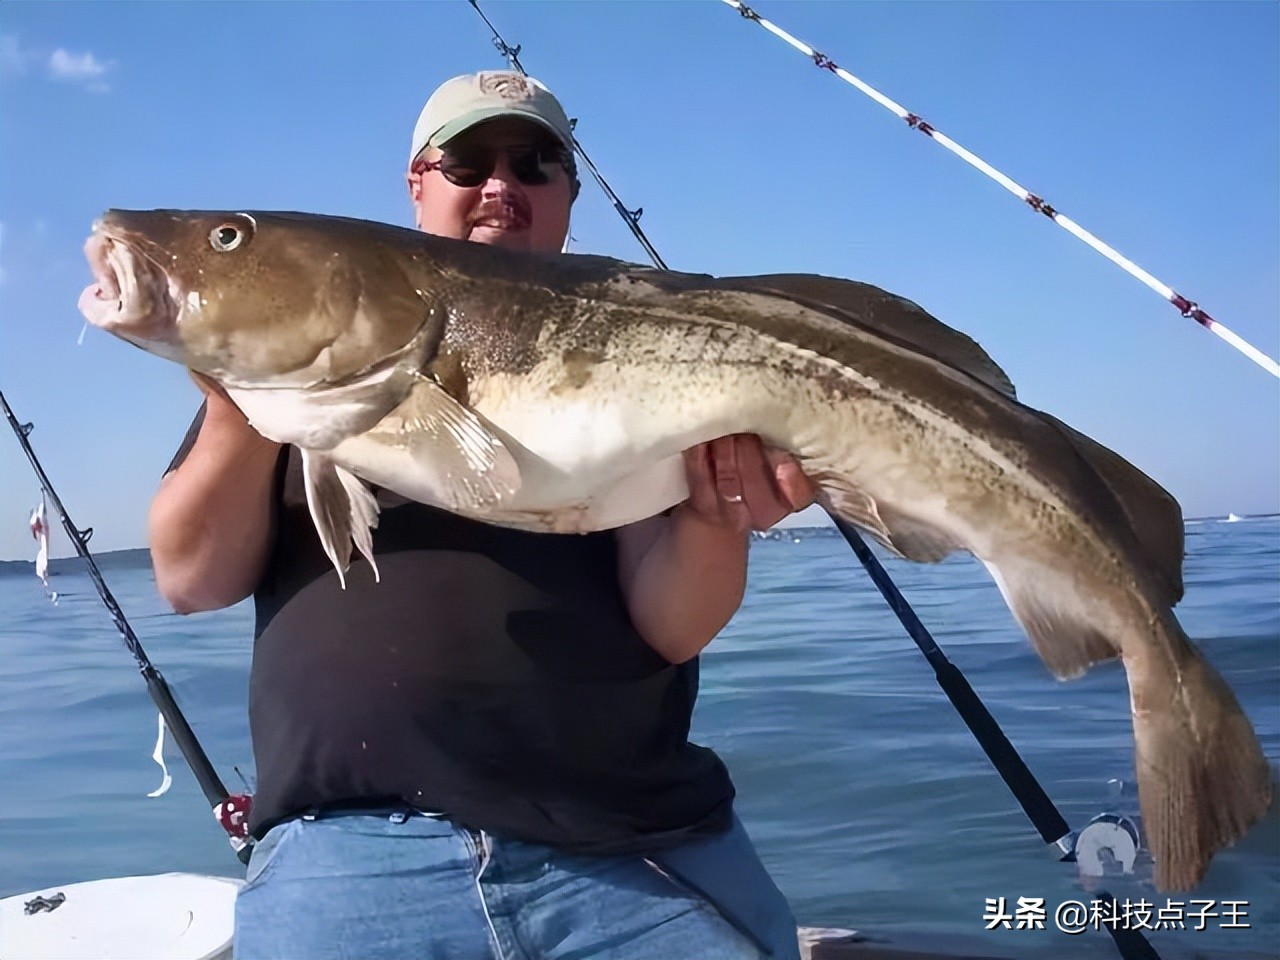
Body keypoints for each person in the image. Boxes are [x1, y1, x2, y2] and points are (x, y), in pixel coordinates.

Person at [149, 70, 816, 959]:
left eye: (536, 162)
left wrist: (717, 513)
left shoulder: (649, 354)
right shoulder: (292, 365)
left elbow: (674, 623)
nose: (501, 184)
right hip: (347, 853)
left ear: (570, 194)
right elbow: (190, 579)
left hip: (631, 846)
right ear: (417, 184)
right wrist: (238, 396)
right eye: (467, 162)